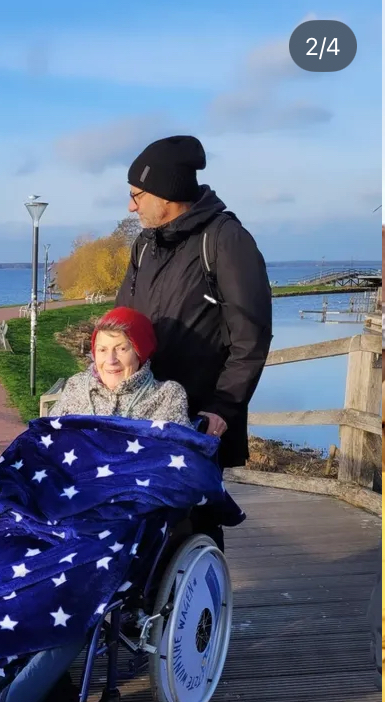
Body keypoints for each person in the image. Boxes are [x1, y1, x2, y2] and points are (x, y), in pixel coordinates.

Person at [114, 134, 273, 470]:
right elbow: (120, 324)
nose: (131, 206)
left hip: (198, 426)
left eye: (136, 195)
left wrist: (222, 408)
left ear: (165, 194)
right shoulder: (144, 245)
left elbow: (251, 338)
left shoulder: (225, 240)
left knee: (193, 523)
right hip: (140, 421)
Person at [50, 305, 192, 427]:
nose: (110, 360)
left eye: (121, 349)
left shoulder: (167, 395)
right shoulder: (77, 386)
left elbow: (178, 451)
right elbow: (46, 436)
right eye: (102, 350)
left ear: (140, 353)